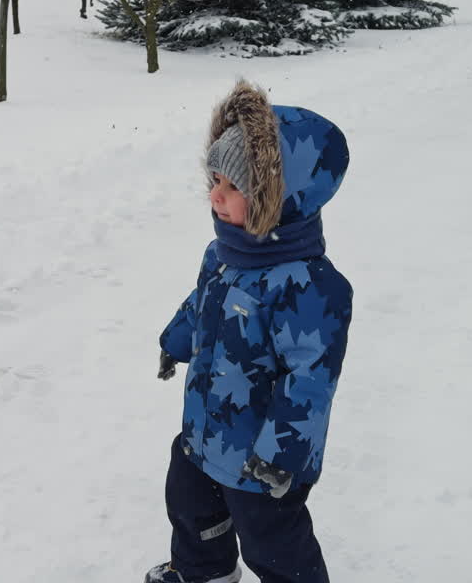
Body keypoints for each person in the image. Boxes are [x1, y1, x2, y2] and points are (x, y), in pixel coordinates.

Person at [145, 81, 353, 583]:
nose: (215, 194)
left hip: (262, 460)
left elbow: (310, 383)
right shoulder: (222, 255)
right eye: (214, 178)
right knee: (191, 507)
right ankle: (203, 572)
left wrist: (281, 458)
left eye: (233, 186)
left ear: (278, 199)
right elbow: (202, 305)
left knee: (274, 542)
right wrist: (175, 340)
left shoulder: (308, 287)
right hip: (204, 431)